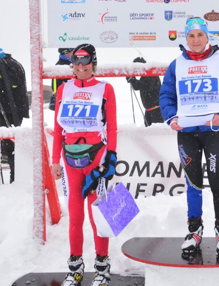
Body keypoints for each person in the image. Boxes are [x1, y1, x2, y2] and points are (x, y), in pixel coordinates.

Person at [159, 17, 219, 257]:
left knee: (217, 181)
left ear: (208, 37)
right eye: (191, 35)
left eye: (200, 35)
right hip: (187, 133)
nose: (196, 40)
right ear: (185, 38)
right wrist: (171, 117)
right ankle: (194, 230)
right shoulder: (177, 65)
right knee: (193, 182)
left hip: (213, 132)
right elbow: (166, 95)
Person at [50, 43, 118, 286]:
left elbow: (112, 126)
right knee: (75, 217)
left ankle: (102, 268)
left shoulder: (105, 88)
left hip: (97, 157)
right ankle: (75, 268)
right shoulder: (63, 89)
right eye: (76, 61)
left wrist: (111, 156)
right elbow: (58, 128)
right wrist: (54, 160)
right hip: (70, 159)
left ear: (93, 62)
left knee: (98, 214)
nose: (80, 66)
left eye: (85, 61)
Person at [0, 45, 29, 183]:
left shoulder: (5, 66)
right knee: (11, 142)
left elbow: (10, 88)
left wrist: (7, 110)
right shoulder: (11, 63)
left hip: (10, 111)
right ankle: (15, 175)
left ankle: (15, 177)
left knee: (10, 143)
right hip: (12, 109)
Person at [126, 57, 164, 127]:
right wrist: (132, 79)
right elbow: (137, 87)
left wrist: (133, 80)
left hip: (156, 110)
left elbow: (146, 86)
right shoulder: (144, 76)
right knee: (148, 131)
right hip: (149, 110)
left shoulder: (151, 74)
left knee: (156, 132)